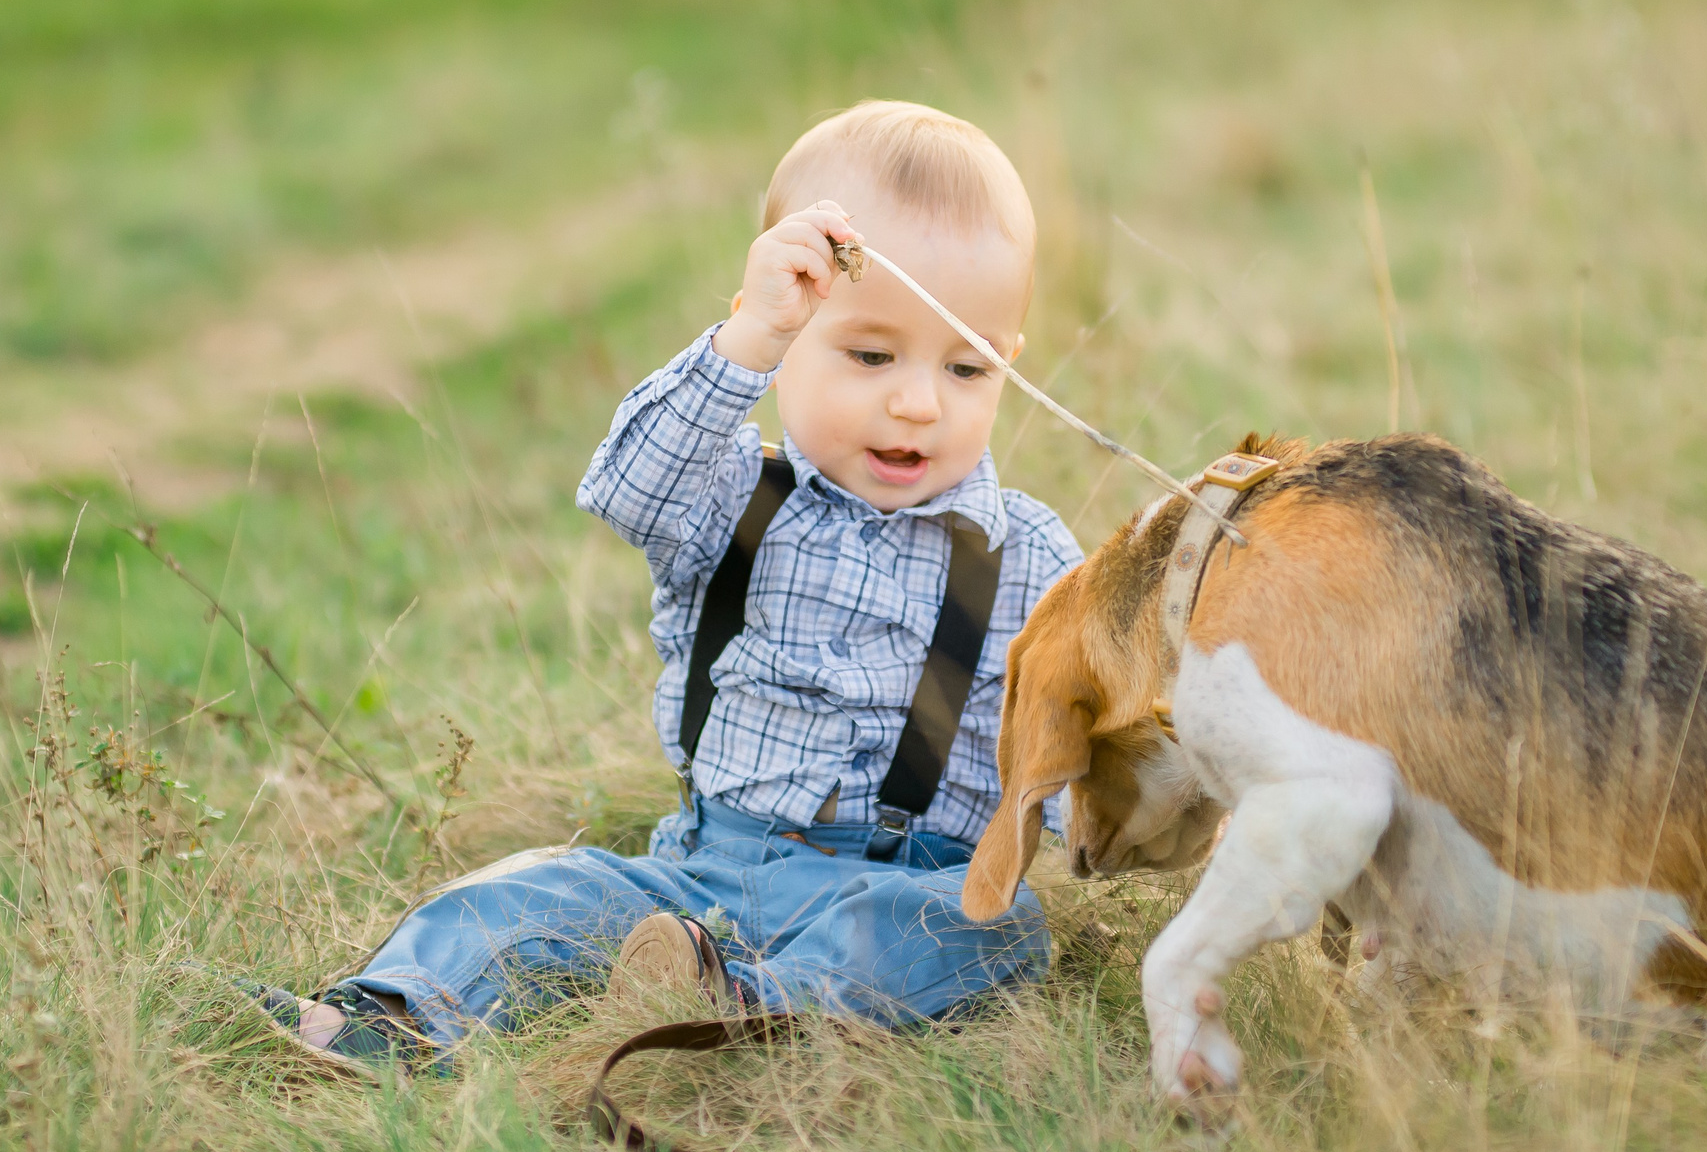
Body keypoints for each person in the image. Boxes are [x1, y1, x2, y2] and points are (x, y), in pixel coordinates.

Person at [253, 100, 1084, 1072]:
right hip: (697, 876)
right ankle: (386, 1018)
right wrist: (748, 338)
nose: (916, 401)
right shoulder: (733, 493)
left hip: (897, 884)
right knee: (532, 891)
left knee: (990, 921)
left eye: (966, 367)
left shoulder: (1027, 554)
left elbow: (1074, 741)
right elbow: (626, 487)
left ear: (1008, 363)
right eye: (870, 354)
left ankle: (748, 1004)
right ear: (789, 333)